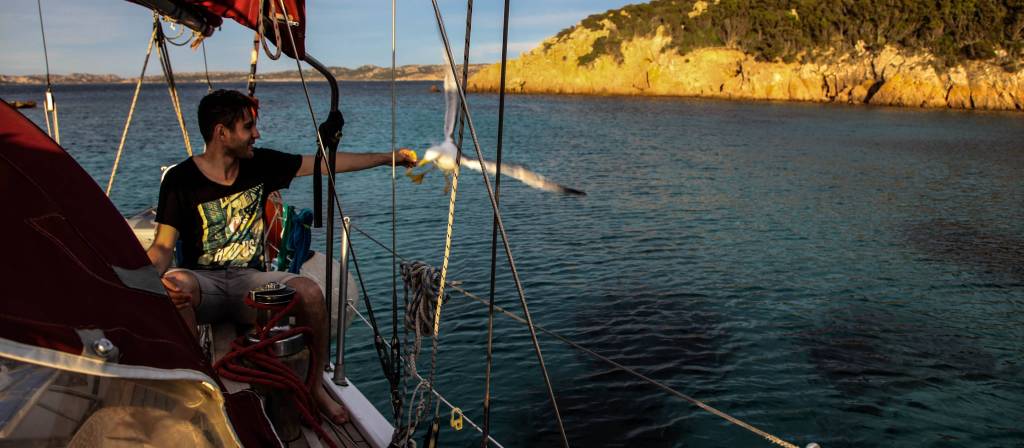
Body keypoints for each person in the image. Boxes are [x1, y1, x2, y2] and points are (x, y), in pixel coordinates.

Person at [146, 89, 416, 424]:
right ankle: (199, 388)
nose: (256, 135)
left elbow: (323, 164)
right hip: (205, 284)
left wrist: (387, 157)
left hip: (253, 284)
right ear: (222, 133)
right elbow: (162, 248)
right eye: (248, 127)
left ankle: (314, 387)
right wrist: (147, 276)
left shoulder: (261, 165)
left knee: (311, 292)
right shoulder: (179, 180)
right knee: (177, 283)